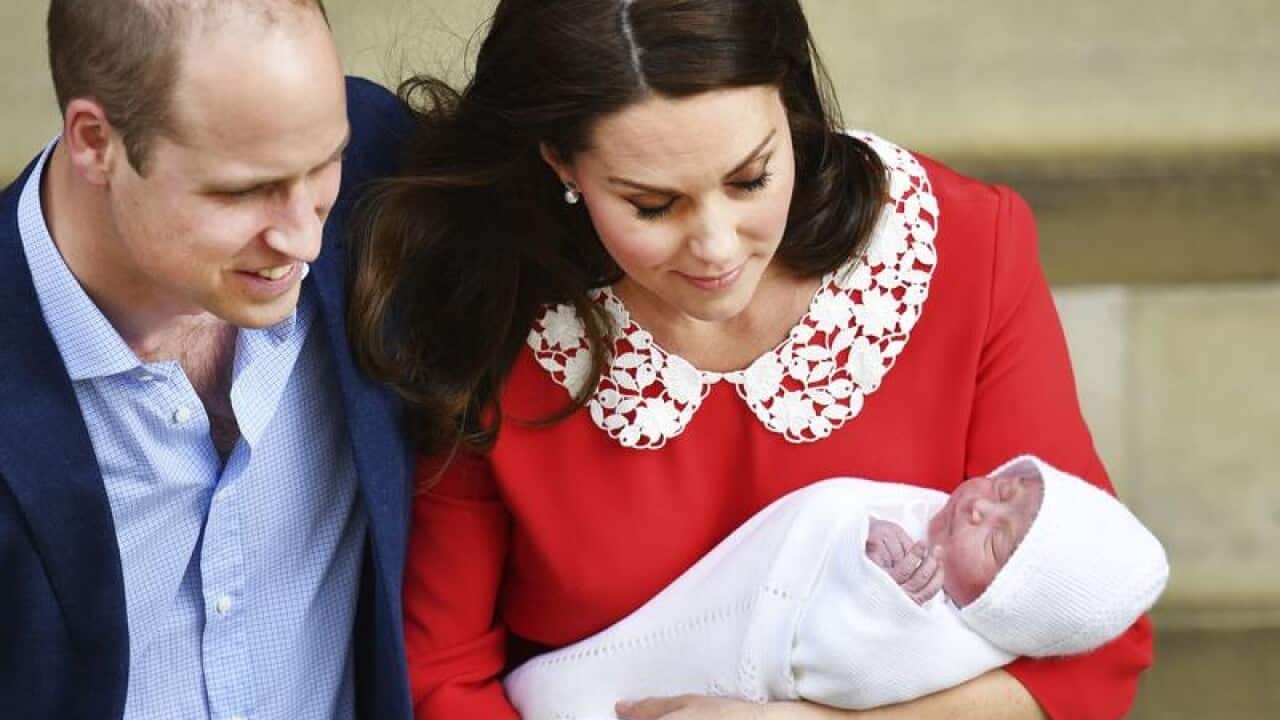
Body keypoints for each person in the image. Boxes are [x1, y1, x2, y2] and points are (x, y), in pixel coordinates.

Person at [350, 1, 1156, 718]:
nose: (715, 247)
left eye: (750, 178)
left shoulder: (963, 249)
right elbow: (442, 676)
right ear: (561, 163)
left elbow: (1092, 652)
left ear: (788, 104)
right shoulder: (492, 304)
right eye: (651, 204)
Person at [0, 1, 414, 718]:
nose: (304, 241)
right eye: (243, 191)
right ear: (96, 142)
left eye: (325, 164)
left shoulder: (385, 171)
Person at [502, 456, 1170, 719]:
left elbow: (845, 666)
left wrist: (880, 596)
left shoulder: (946, 641)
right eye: (1005, 489)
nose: (978, 509)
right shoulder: (928, 514)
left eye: (997, 540)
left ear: (1004, 608)